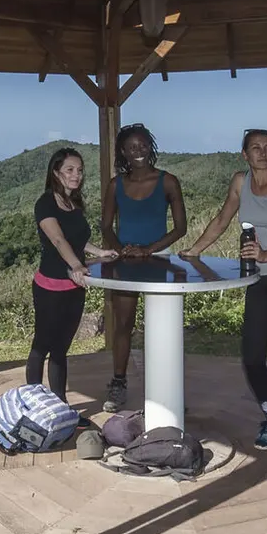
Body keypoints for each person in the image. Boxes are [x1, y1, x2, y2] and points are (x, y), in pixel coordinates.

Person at [183, 128, 267, 454]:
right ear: (244, 154)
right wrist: (194, 251)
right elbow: (222, 218)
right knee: (252, 356)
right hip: (259, 281)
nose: (263, 153)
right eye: (255, 147)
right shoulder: (240, 183)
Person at [98, 123, 186, 412]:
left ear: (151, 146)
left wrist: (148, 250)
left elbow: (181, 228)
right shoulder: (116, 185)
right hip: (124, 263)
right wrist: (120, 251)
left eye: (143, 145)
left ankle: (168, 389)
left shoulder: (168, 181)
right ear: (123, 151)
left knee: (163, 328)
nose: (139, 151)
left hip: (159, 259)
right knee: (123, 325)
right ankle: (119, 383)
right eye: (132, 147)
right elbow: (106, 226)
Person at [30, 147, 117, 406]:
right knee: (41, 346)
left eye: (79, 170)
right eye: (69, 169)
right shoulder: (45, 203)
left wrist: (100, 252)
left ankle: (60, 404)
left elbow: (79, 239)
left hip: (75, 288)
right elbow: (58, 239)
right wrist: (77, 266)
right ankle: (32, 404)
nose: (76, 175)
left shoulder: (73, 203)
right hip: (50, 287)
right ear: (56, 172)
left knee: (60, 350)